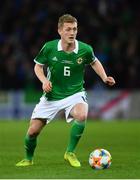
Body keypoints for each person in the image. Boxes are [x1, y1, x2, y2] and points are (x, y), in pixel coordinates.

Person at [16, 14, 115, 168]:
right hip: (52, 96)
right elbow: (37, 66)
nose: (72, 33)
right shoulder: (49, 48)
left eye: (74, 29)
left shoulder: (85, 49)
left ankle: (69, 152)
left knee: (82, 114)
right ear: (60, 31)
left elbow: (94, 62)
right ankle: (28, 159)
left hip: (75, 93)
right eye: (68, 29)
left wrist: (104, 77)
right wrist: (44, 81)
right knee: (32, 132)